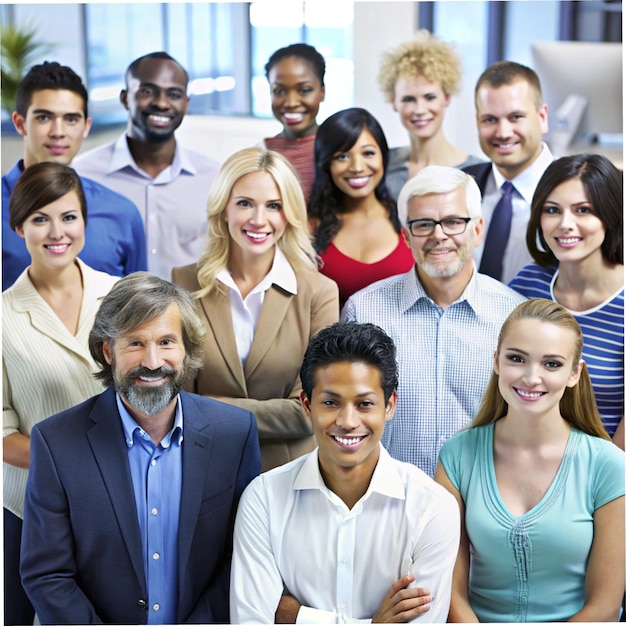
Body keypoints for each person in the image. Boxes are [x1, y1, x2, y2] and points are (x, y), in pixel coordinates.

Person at [20, 273, 261, 624]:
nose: (152, 362)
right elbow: (47, 575)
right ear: (108, 351)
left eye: (166, 342)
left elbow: (242, 559)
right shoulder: (56, 443)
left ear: (186, 349)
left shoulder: (234, 434)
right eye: (135, 343)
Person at [230, 321, 460, 623]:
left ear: (389, 405)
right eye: (330, 403)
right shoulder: (263, 498)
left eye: (364, 404)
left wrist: (297, 616)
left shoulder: (432, 507)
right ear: (307, 405)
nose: (348, 421)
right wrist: (374, 624)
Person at [435, 298, 625, 622]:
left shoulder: (608, 465)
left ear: (574, 374)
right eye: (516, 359)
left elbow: (604, 607)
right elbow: (450, 592)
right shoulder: (456, 456)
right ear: (496, 361)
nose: (531, 377)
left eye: (551, 364)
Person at [342, 166, 525, 477]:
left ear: (477, 230)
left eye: (453, 221)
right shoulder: (363, 310)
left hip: (481, 502)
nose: (439, 235)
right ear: (406, 236)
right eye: (424, 224)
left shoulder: (515, 316)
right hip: (388, 499)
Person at [3, 162, 120, 626]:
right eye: (40, 219)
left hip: (116, 496)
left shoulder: (120, 298)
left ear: (85, 223)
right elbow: (1, 431)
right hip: (27, 505)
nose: (57, 232)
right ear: (18, 228)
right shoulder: (3, 315)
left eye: (69, 217)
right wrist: (69, 462)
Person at [172, 147, 339, 471]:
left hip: (290, 472)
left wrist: (212, 407)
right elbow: (177, 401)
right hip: (205, 467)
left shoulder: (318, 293)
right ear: (224, 210)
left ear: (288, 214)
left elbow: (312, 409)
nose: (259, 220)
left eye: (273, 206)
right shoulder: (186, 282)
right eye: (245, 203)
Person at [509, 154, 624, 448]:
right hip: (525, 460)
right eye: (552, 210)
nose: (565, 224)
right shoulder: (526, 285)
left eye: (583, 210)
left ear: (610, 215)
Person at [74, 51, 220, 280]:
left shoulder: (214, 177)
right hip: (107, 314)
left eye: (174, 94)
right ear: (125, 98)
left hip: (191, 313)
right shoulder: (82, 174)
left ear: (186, 103)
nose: (162, 103)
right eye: (148, 91)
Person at [2, 60, 147, 290]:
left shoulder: (122, 213)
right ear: (20, 123)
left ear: (86, 126)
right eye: (43, 118)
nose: (58, 132)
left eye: (71, 119)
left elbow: (138, 312)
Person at [309, 107, 414, 307]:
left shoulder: (409, 217)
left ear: (383, 156)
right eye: (342, 156)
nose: (357, 167)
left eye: (368, 153)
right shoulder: (309, 227)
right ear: (326, 164)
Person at [463, 61, 553, 283]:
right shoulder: (463, 186)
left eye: (516, 117)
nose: (503, 133)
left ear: (542, 117)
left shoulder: (579, 192)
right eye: (490, 119)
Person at [377, 30, 484, 202]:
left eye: (430, 97)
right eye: (409, 99)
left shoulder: (476, 171)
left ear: (446, 97)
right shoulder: (381, 165)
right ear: (393, 102)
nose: (420, 109)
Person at [262, 43, 326, 202]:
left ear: (322, 92)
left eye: (304, 90)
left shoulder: (340, 150)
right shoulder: (260, 154)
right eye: (279, 91)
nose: (291, 102)